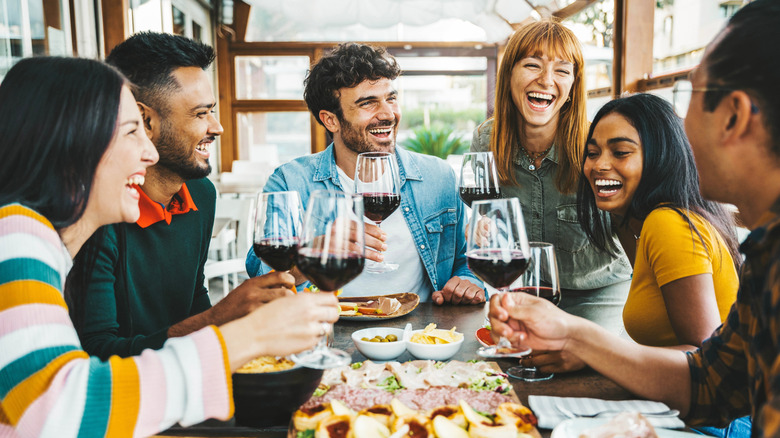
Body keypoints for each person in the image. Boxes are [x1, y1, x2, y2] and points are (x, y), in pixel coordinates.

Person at [0, 56, 337, 437]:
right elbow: (60, 412)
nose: (150, 153)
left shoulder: (44, 245)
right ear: (69, 143)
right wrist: (251, 335)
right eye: (131, 132)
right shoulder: (14, 234)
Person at [489, 0, 778, 435]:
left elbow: (709, 385)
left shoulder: (671, 223)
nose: (678, 125)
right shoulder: (764, 250)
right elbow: (712, 381)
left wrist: (580, 341)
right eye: (593, 153)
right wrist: (575, 337)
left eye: (689, 96)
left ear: (733, 115)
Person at [68, 32, 296, 360]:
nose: (217, 127)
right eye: (201, 113)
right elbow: (98, 353)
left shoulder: (202, 194)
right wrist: (222, 317)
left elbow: (192, 302)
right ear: (145, 121)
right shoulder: (99, 212)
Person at [245, 43, 484, 305]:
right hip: (325, 332)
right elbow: (263, 280)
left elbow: (465, 260)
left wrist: (469, 281)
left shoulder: (439, 176)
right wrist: (313, 255)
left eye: (391, 98)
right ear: (330, 120)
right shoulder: (290, 182)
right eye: (368, 103)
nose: (388, 114)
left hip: (419, 334)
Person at [471, 19, 631, 332]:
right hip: (523, 293)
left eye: (561, 70)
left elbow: (634, 227)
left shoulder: (597, 146)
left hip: (597, 295)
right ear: (510, 77)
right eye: (533, 65)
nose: (546, 80)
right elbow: (485, 216)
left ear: (572, 87)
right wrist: (483, 228)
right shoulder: (485, 141)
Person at [578, 93, 740, 350]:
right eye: (592, 153)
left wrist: (593, 352)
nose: (599, 165)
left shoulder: (668, 222)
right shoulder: (629, 222)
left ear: (662, 157)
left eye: (620, 152)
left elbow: (704, 358)